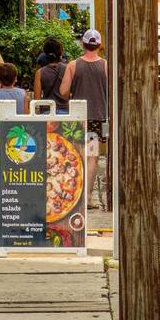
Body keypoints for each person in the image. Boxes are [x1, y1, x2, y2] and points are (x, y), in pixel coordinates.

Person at [60, 28, 108, 207]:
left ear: (83, 43)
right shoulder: (105, 65)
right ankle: (87, 197)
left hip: (77, 119)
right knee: (92, 156)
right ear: (100, 45)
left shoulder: (72, 65)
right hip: (98, 117)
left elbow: (64, 92)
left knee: (76, 155)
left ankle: (75, 195)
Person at [0, 63, 29, 209]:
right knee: (20, 170)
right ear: (15, 78)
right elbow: (27, 118)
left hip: (1, 137)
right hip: (20, 139)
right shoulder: (23, 95)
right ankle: (19, 199)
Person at [34, 36, 69, 114]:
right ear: (61, 52)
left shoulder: (39, 73)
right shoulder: (68, 69)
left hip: (47, 113)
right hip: (65, 113)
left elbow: (37, 100)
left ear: (45, 53)